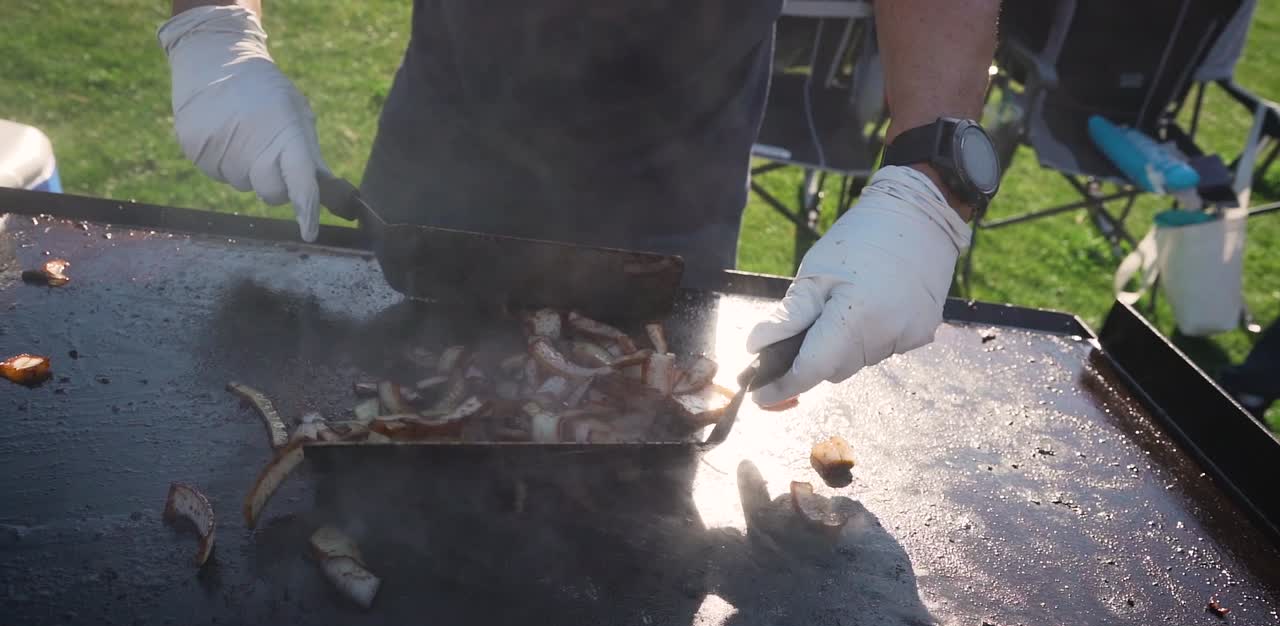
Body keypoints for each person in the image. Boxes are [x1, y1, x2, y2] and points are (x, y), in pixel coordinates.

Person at [158, 0, 1002, 407]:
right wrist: (211, 26)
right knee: (377, 414)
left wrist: (928, 186)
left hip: (673, 176)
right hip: (442, 157)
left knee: (630, 533)